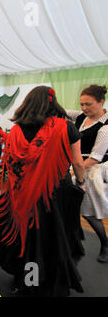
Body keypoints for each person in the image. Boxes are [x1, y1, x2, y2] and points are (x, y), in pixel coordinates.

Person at [0, 86, 86, 296]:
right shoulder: (66, 127)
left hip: (22, 194)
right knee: (52, 238)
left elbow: (11, 164)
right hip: (54, 193)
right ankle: (45, 281)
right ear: (53, 102)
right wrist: (82, 182)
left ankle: (25, 279)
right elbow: (78, 162)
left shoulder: (16, 130)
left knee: (27, 238)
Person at [66, 84, 108, 263]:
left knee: (89, 212)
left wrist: (73, 169)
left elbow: (94, 158)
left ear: (101, 102)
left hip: (92, 170)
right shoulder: (82, 116)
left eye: (88, 104)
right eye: (81, 104)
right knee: (69, 207)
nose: (83, 108)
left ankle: (105, 244)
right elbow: (62, 111)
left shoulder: (105, 127)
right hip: (77, 165)